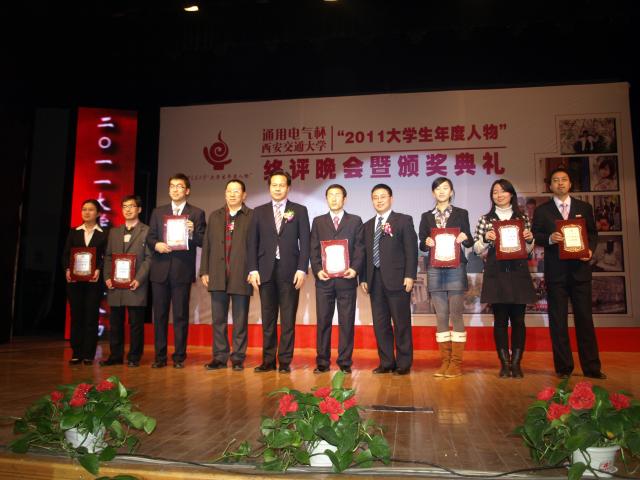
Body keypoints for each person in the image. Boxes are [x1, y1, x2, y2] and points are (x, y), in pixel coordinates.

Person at [532, 167, 604, 379]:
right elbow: (535, 235)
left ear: (570, 183)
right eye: (556, 180)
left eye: (564, 179)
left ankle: (592, 368)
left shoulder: (584, 207)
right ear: (550, 185)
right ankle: (563, 368)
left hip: (580, 271)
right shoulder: (543, 211)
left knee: (585, 319)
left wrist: (590, 250)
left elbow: (592, 233)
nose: (560, 183)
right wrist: (549, 238)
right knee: (558, 321)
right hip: (556, 273)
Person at [247, 170, 310, 373]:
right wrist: (253, 269)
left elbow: (306, 243)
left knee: (288, 319)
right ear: (269, 187)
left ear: (288, 188)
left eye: (281, 185)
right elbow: (252, 243)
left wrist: (302, 269)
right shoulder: (259, 211)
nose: (277, 188)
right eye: (274, 185)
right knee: (268, 319)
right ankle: (267, 361)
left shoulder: (299, 210)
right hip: (265, 271)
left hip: (290, 271)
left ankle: (284, 362)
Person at [473, 180, 536, 378]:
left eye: (503, 191)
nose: (499, 195)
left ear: (511, 194)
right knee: (499, 321)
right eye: (495, 192)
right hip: (496, 273)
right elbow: (476, 249)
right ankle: (504, 364)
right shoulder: (485, 219)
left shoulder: (522, 218)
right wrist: (485, 239)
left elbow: (528, 250)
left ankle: (516, 364)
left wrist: (529, 239)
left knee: (518, 320)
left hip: (518, 272)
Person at [147, 173, 206, 369]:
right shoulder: (158, 212)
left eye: (179, 186)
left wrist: (192, 232)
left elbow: (203, 241)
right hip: (160, 271)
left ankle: (179, 357)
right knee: (160, 316)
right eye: (172, 186)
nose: (175, 189)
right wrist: (157, 245)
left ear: (187, 190)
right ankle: (160, 357)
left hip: (182, 271)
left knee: (180, 315)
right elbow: (150, 237)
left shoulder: (196, 213)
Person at [418, 177, 473, 378]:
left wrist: (465, 238)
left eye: (445, 188)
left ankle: (456, 363)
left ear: (451, 191)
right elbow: (422, 244)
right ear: (433, 193)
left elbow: (469, 240)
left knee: (455, 314)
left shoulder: (461, 213)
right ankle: (445, 362)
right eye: (437, 188)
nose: (441, 191)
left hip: (456, 267)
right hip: (435, 267)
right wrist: (426, 242)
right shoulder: (426, 216)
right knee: (441, 315)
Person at [360, 184, 417, 375]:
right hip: (374, 281)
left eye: (383, 196)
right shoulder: (368, 225)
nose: (379, 200)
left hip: (398, 280)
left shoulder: (403, 220)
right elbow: (365, 255)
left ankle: (403, 363)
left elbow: (411, 250)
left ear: (391, 199)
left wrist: (410, 275)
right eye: (375, 197)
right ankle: (386, 362)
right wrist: (363, 278)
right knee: (380, 324)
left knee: (401, 323)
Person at [309, 184, 364, 374]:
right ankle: (322, 362)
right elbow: (313, 248)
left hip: (346, 280)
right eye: (330, 195)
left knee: (346, 322)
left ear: (344, 199)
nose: (334, 198)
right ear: (326, 199)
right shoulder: (318, 222)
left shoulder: (355, 221)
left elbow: (360, 248)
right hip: (324, 280)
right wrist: (317, 270)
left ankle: (345, 362)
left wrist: (355, 269)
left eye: (337, 195)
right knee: (323, 322)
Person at [200, 179, 253, 371]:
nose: (232, 194)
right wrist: (204, 270)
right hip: (217, 274)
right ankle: (220, 357)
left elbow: (256, 246)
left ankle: (238, 358)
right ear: (225, 193)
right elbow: (207, 245)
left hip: (241, 274)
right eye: (229, 191)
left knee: (240, 320)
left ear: (244, 195)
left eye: (237, 191)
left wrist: (254, 270)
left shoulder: (251, 216)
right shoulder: (215, 216)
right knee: (218, 320)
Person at [101, 195, 152, 367]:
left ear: (139, 209)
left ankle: (134, 357)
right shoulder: (114, 232)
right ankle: (115, 356)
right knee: (115, 323)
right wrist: (107, 277)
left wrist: (139, 279)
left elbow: (149, 258)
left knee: (136, 324)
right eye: (124, 206)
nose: (128, 209)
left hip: (136, 285)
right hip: (115, 285)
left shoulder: (147, 231)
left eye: (131, 206)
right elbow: (108, 257)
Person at [62, 199, 108, 365]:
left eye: (90, 209)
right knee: (76, 316)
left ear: (98, 213)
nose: (87, 212)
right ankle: (76, 353)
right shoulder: (74, 232)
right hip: (75, 282)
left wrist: (99, 269)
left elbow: (106, 256)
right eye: (84, 209)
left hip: (94, 282)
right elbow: (66, 255)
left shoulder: (104, 233)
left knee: (91, 317)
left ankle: (88, 354)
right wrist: (67, 269)